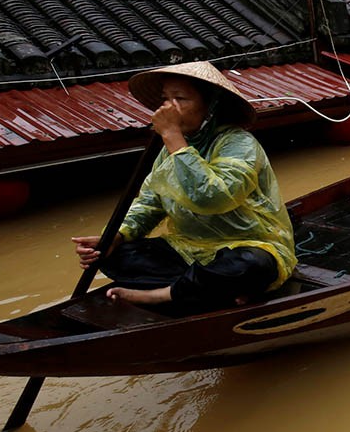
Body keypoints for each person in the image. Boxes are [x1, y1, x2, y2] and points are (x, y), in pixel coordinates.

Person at [72, 62, 296, 311]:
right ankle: (211, 288)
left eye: (180, 98)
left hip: (245, 245)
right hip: (187, 249)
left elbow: (212, 198)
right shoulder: (169, 150)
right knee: (112, 256)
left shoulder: (238, 143)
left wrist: (173, 137)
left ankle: (164, 294)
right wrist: (116, 235)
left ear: (211, 106)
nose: (168, 107)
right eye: (165, 99)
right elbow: (149, 202)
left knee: (250, 266)